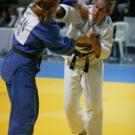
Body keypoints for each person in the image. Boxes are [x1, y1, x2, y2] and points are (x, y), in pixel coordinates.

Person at [0, 0, 89, 134]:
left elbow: (57, 4)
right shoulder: (45, 24)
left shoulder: (33, 5)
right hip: (20, 70)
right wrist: (80, 40)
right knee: (24, 117)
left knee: (29, 111)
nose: (59, 6)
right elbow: (61, 46)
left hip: (14, 63)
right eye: (57, 4)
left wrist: (75, 3)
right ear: (52, 7)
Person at [56, 0, 116, 135]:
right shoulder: (82, 11)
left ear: (107, 12)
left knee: (94, 107)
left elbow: (104, 53)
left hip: (92, 64)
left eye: (101, 10)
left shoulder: (107, 25)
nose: (96, 11)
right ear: (93, 4)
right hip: (72, 61)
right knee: (69, 105)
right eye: (95, 7)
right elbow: (64, 12)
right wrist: (57, 8)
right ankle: (80, 131)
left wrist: (94, 40)